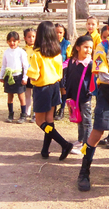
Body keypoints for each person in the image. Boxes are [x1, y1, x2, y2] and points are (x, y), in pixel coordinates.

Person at [76, 10, 109, 190]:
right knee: (97, 133)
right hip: (107, 94)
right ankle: (84, 170)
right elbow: (101, 72)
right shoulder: (102, 46)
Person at [27, 21, 74, 160]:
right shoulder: (57, 53)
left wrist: (30, 78)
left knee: (40, 122)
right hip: (54, 87)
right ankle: (45, 150)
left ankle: (64, 144)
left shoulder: (37, 54)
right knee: (49, 120)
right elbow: (60, 73)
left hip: (42, 89)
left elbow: (34, 75)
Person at [66, 35, 95, 188]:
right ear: (77, 47)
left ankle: (86, 144)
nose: (88, 50)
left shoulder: (89, 64)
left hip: (85, 97)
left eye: (90, 48)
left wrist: (89, 92)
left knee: (87, 120)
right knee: (78, 119)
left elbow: (92, 82)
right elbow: (69, 78)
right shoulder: (71, 62)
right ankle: (80, 139)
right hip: (74, 97)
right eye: (85, 47)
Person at [0, 31, 29, 124]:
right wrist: (2, 76)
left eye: (14, 41)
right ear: (7, 42)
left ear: (19, 41)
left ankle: (23, 114)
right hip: (9, 76)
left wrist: (25, 78)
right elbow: (4, 65)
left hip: (19, 76)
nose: (12, 43)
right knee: (10, 95)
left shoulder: (21, 52)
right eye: (10, 41)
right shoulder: (6, 52)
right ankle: (10, 114)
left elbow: (25, 66)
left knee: (21, 96)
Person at [54, 23, 72, 120]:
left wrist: (63, 65)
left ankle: (62, 109)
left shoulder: (66, 44)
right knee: (54, 88)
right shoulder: (51, 43)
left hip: (63, 70)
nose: (58, 35)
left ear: (64, 32)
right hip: (52, 69)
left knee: (63, 89)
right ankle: (54, 108)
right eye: (56, 32)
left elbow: (70, 58)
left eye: (60, 32)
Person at [23, 27, 36, 122]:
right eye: (29, 37)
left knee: (35, 95)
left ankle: (35, 113)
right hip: (26, 75)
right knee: (27, 94)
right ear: (25, 38)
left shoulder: (38, 49)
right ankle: (27, 111)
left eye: (33, 36)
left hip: (35, 75)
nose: (31, 39)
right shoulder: (23, 50)